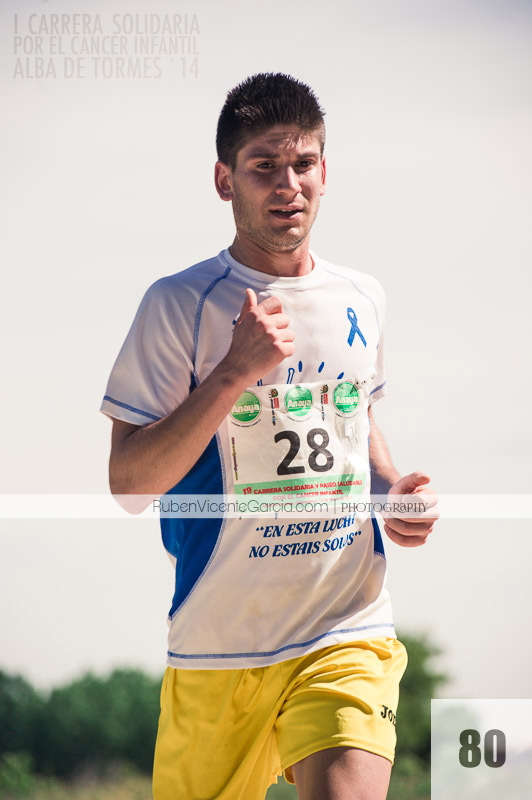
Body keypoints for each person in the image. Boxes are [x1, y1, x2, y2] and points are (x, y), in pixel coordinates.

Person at [101, 73, 438, 800]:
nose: (289, 185)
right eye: (264, 167)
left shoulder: (362, 296)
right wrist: (233, 372)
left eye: (303, 163)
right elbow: (129, 485)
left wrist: (392, 490)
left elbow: (355, 420)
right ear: (225, 180)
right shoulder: (178, 303)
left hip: (346, 626)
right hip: (218, 648)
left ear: (325, 171)